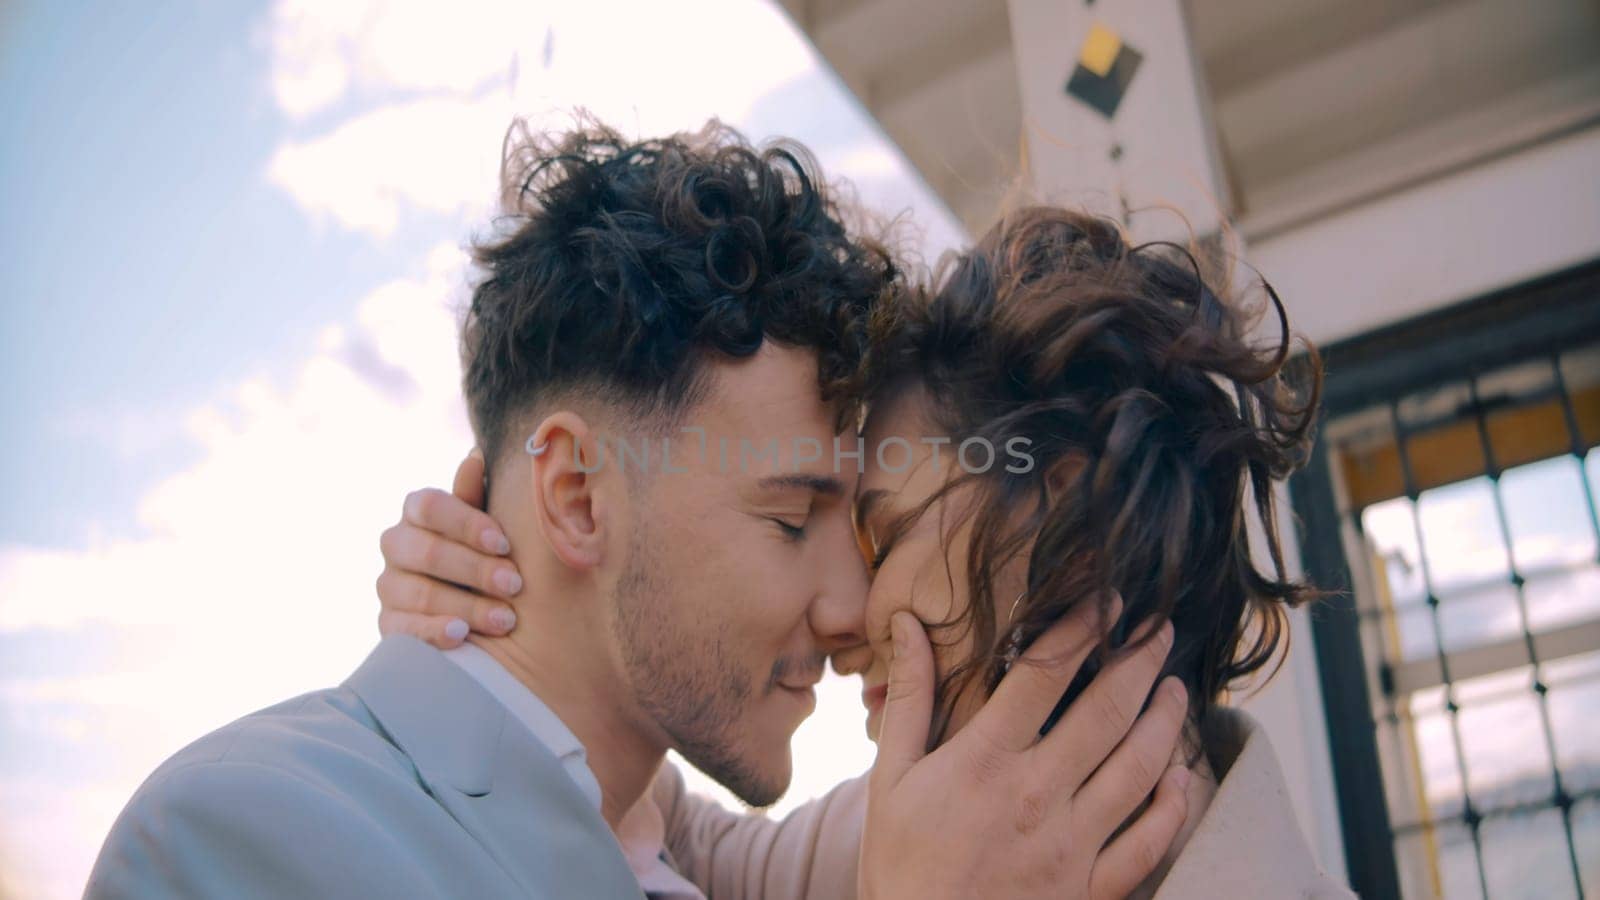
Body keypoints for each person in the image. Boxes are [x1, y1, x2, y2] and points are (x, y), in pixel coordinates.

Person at [85, 122, 1188, 900]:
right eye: (790, 519)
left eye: (858, 524)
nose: (852, 601)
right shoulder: (243, 839)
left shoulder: (677, 843)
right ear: (574, 497)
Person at [379, 207, 1358, 899]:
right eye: (800, 523)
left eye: (880, 532)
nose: (845, 615)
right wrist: (501, 595)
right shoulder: (894, 835)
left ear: (1063, 514)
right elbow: (659, 822)